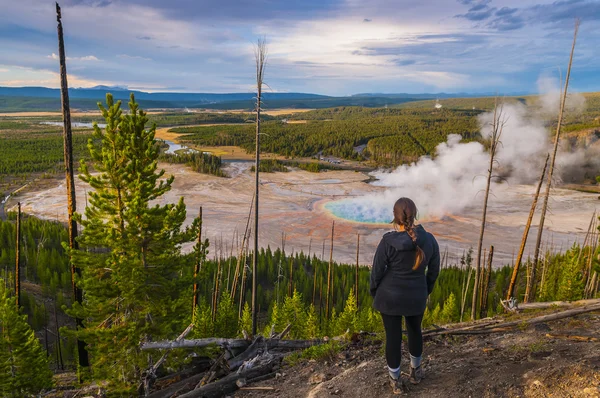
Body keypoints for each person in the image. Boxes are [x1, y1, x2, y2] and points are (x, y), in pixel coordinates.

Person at [370, 197, 440, 394]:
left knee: (393, 337)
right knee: (415, 331)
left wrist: (375, 291)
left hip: (389, 297)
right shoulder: (430, 240)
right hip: (416, 295)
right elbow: (434, 270)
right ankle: (416, 371)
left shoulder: (388, 241)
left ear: (395, 217)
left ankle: (395, 380)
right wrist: (425, 289)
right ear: (414, 214)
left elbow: (376, 271)